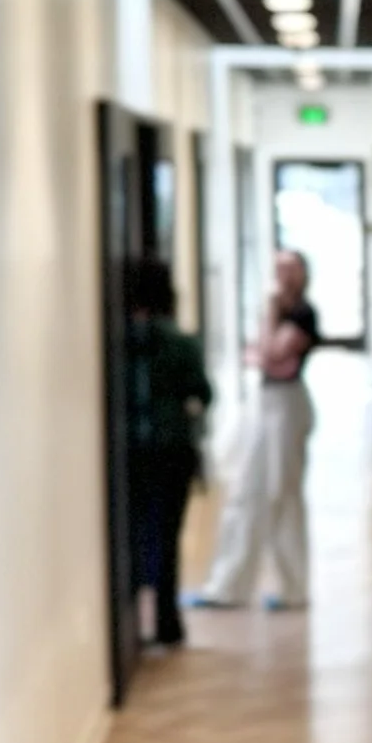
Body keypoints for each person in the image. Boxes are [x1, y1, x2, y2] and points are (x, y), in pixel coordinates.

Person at [188, 251, 318, 612]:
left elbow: (270, 355)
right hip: (266, 403)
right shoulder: (276, 311)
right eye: (278, 268)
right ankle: (228, 586)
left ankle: (294, 587)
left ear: (303, 274)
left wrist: (269, 326)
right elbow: (262, 355)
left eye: (290, 268)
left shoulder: (303, 314)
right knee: (248, 493)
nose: (283, 275)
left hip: (286, 407)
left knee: (284, 494)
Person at [123, 257, 212, 649]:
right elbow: (203, 394)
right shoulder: (181, 342)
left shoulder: (120, 342)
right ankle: (167, 621)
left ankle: (130, 620)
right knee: (168, 534)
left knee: (134, 531)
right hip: (174, 448)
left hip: (133, 448)